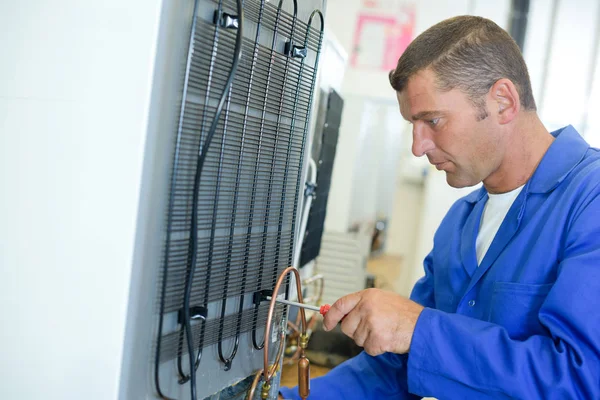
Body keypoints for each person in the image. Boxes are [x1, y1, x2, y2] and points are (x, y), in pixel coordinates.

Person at [279, 15, 600, 399]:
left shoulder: (589, 200)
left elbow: (580, 381)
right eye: (413, 125)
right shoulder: (460, 223)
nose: (418, 146)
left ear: (503, 101)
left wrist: (418, 328)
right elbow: (398, 367)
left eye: (433, 121)